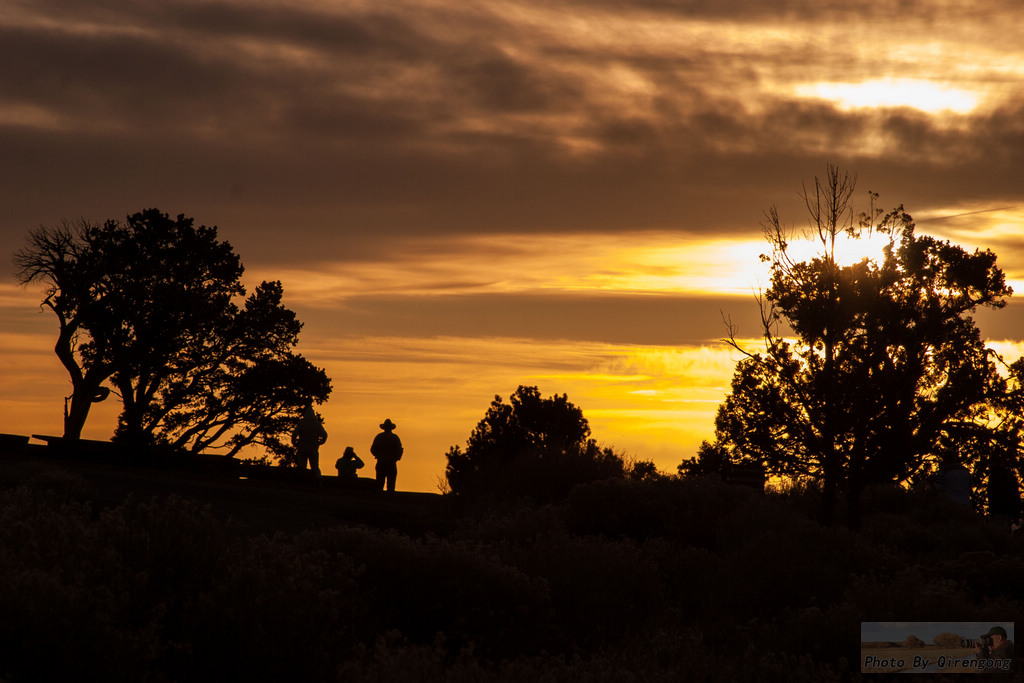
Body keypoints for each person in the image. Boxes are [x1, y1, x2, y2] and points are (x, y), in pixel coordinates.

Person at [291, 404, 327, 475]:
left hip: (302, 447)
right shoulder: (317, 424)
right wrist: (321, 442)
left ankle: (303, 480)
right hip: (313, 448)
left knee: (302, 467)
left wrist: (294, 442)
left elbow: (295, 433)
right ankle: (317, 479)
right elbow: (324, 435)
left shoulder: (302, 423)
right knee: (315, 466)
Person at [370, 418, 403, 492]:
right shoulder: (395, 438)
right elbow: (399, 450)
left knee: (379, 483)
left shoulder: (379, 437)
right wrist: (396, 458)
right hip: (391, 463)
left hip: (381, 462)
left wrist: (378, 455)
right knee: (391, 484)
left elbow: (372, 449)